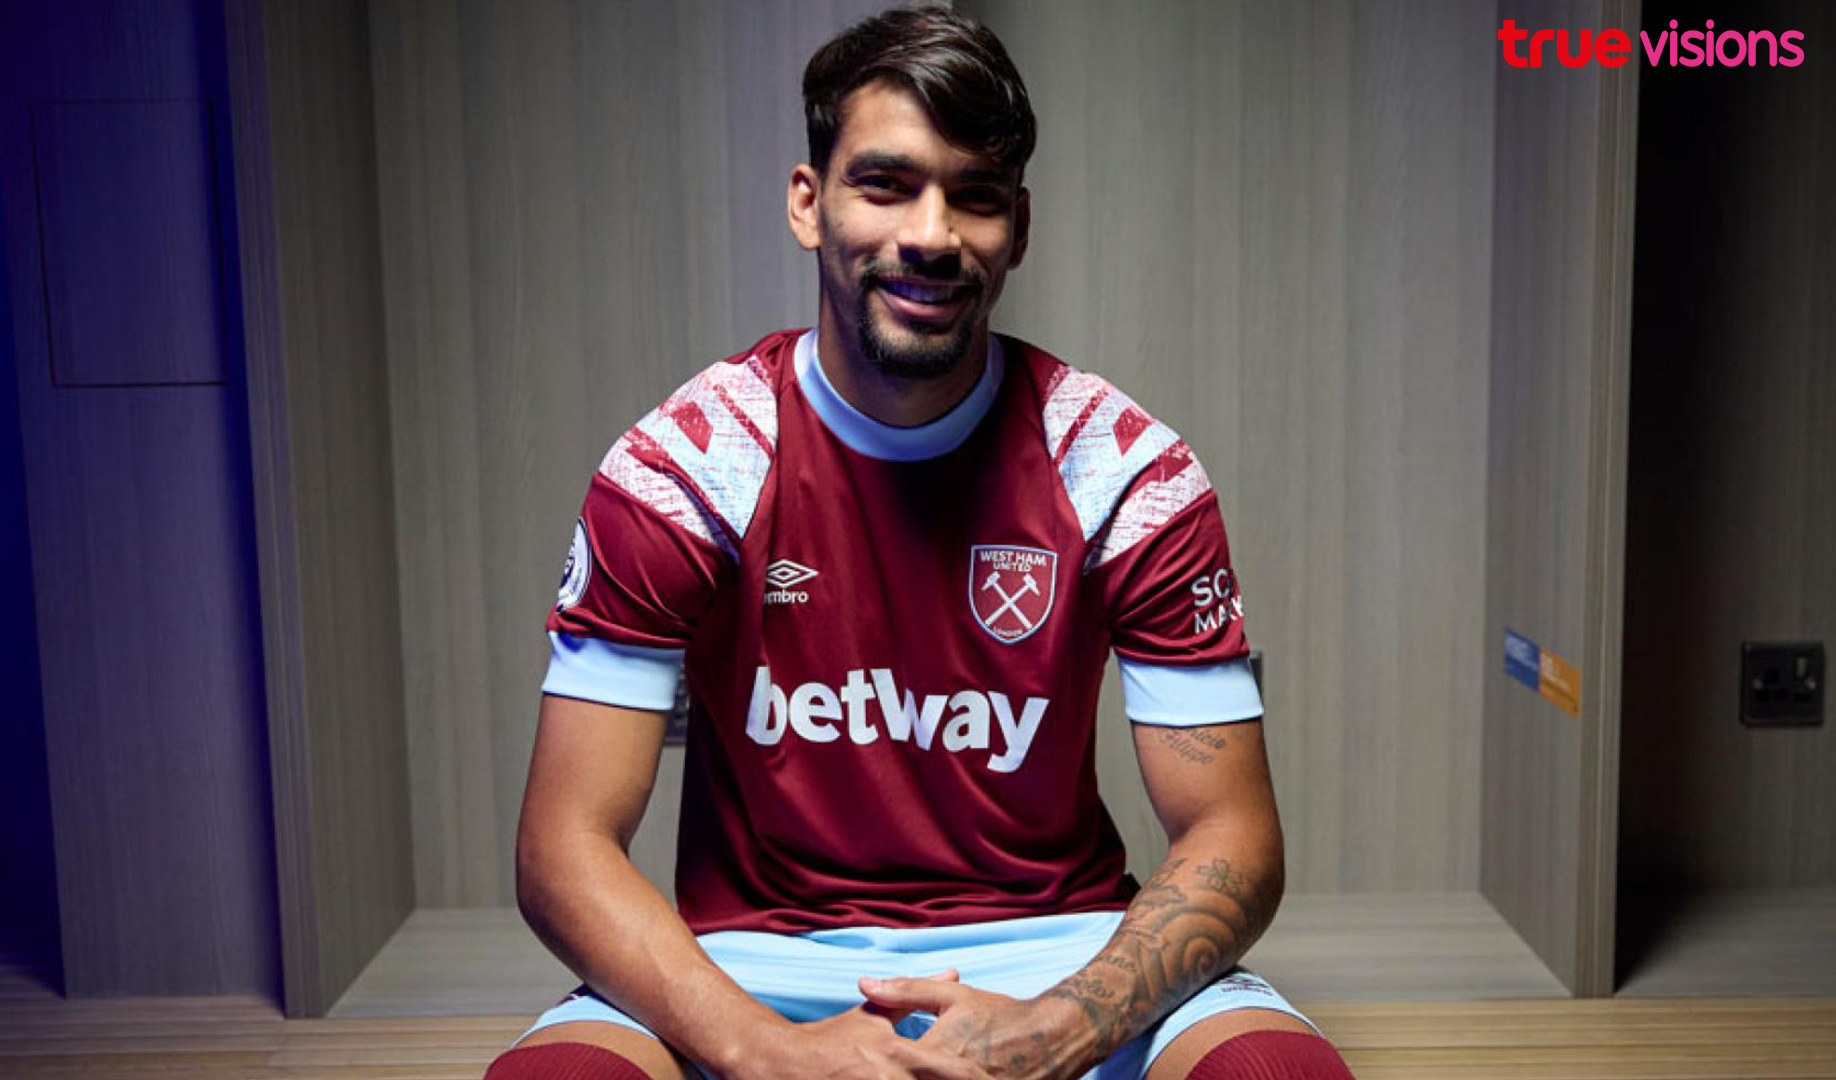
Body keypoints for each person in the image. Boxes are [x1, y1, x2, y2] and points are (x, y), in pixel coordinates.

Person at [487, 8, 1356, 1080]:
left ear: (1018, 228)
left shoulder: (1123, 469)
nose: (933, 235)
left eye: (975, 195)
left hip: (1062, 953)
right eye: (886, 184)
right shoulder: (689, 466)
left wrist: (1061, 1026)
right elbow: (562, 845)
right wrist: (761, 1049)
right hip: (749, 965)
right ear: (808, 203)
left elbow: (1234, 837)